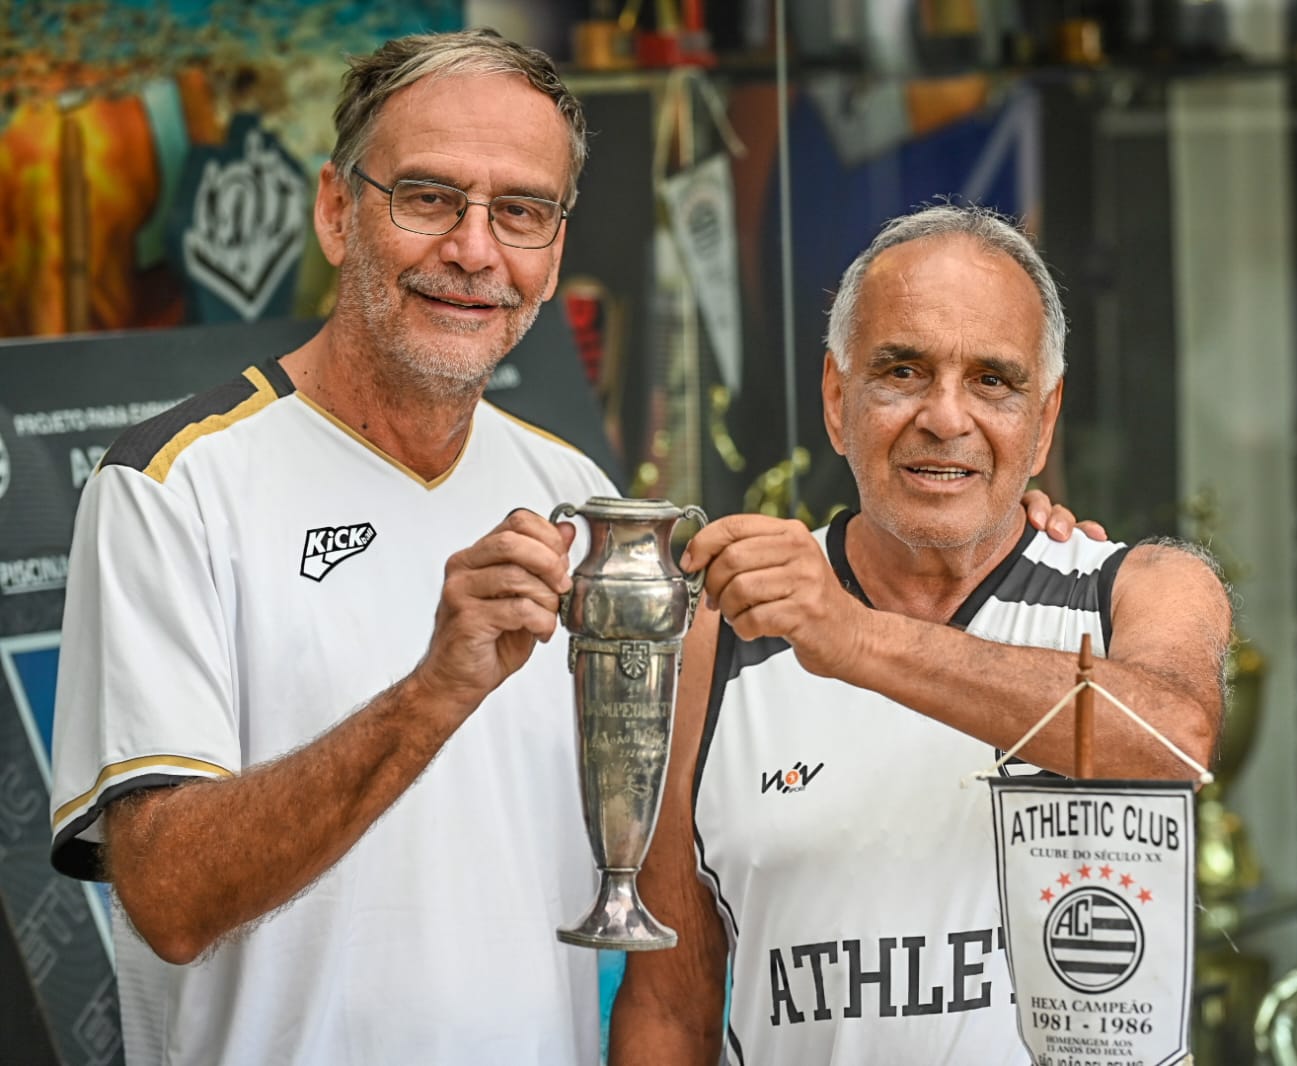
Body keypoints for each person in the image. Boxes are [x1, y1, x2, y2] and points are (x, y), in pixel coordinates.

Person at [47, 32, 1089, 1066]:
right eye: (427, 197)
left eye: (521, 212)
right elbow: (168, 901)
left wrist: (1006, 538)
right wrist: (431, 693)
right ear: (335, 210)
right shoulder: (173, 488)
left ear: (555, 249)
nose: (473, 249)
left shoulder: (576, 495)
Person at [609, 204, 1233, 1065]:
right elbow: (671, 1009)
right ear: (837, 399)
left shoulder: (1141, 590)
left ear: (1043, 420)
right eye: (902, 371)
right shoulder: (718, 638)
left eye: (992, 381)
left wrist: (854, 639)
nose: (945, 417)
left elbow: (1174, 739)